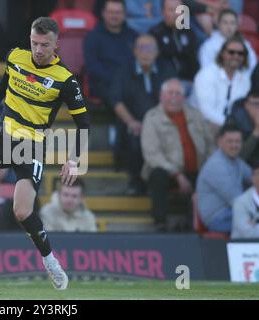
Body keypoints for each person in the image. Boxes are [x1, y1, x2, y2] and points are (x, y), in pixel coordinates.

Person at [0, 17, 91, 290]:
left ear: (56, 44)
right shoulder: (16, 56)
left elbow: (83, 123)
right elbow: (5, 81)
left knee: (22, 212)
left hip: (31, 146)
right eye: (35, 43)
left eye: (45, 45)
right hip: (4, 137)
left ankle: (50, 261)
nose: (38, 49)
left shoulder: (65, 80)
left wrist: (74, 159)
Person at [141, 79, 213, 231]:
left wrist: (209, 169)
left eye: (178, 93)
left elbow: (210, 144)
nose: (174, 97)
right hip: (168, 172)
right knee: (157, 175)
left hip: (198, 171)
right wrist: (177, 174)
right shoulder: (152, 117)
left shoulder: (196, 115)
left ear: (184, 97)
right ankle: (160, 223)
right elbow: (152, 154)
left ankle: (203, 224)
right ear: (161, 95)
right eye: (170, 93)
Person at [111, 34, 176, 194]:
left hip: (162, 121)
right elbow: (116, 101)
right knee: (134, 138)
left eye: (150, 49)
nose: (146, 53)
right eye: (142, 48)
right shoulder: (123, 71)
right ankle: (137, 182)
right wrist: (131, 121)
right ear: (135, 52)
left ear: (157, 52)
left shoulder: (166, 69)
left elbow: (174, 98)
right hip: (135, 122)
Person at [196, 123, 252, 233]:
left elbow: (254, 178)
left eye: (237, 141)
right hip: (218, 218)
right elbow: (237, 201)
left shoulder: (236, 161)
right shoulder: (217, 165)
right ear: (220, 142)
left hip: (232, 212)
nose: (234, 145)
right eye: (230, 141)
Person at [192, 36, 252, 137]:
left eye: (240, 53)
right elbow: (206, 111)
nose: (236, 56)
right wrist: (231, 125)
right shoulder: (207, 75)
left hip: (231, 128)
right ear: (223, 54)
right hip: (202, 124)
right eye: (231, 52)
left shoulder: (244, 79)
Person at [83, 0, 138, 103]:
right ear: (103, 13)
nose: (114, 16)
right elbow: (92, 66)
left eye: (118, 12)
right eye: (111, 12)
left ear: (125, 14)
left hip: (129, 82)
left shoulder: (133, 36)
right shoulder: (92, 37)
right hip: (103, 84)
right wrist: (118, 80)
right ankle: (129, 120)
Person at [149, 0, 200, 82]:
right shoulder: (155, 34)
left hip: (190, 82)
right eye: (171, 10)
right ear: (163, 12)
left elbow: (194, 59)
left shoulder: (189, 32)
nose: (176, 14)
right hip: (166, 82)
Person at [198, 9, 257, 74]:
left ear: (237, 25)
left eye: (232, 23)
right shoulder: (208, 46)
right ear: (218, 24)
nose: (229, 27)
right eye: (225, 23)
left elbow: (252, 64)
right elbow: (206, 70)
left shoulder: (244, 44)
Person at [229, 89, 259, 166]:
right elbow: (237, 157)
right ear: (246, 105)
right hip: (243, 168)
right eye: (256, 104)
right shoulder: (235, 122)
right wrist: (256, 131)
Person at [232, 161, 259, 239]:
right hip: (245, 249)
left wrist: (255, 225)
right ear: (253, 178)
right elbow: (248, 233)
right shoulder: (240, 202)